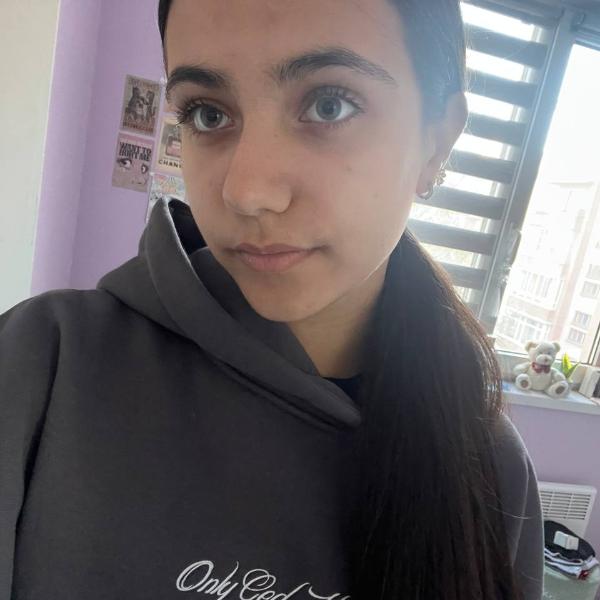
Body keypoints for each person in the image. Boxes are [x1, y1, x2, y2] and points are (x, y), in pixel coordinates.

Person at [0, 0, 544, 598]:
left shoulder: (487, 468)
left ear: (436, 143)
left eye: (329, 105)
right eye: (208, 113)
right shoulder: (41, 366)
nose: (248, 192)